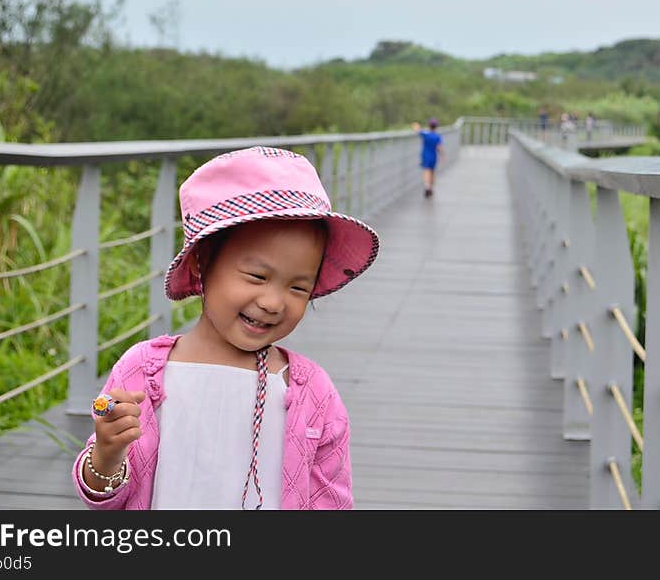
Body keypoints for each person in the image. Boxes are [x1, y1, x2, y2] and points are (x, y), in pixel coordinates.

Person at [71, 146, 380, 510]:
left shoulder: (312, 393)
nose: (273, 302)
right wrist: (108, 453)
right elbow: (103, 496)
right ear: (202, 263)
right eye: (257, 276)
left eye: (298, 287)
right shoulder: (144, 372)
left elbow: (332, 501)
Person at [411, 117, 443, 197]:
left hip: (426, 156)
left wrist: (415, 124)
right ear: (436, 127)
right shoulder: (437, 136)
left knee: (426, 171)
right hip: (433, 156)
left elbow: (417, 129)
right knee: (432, 172)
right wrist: (443, 156)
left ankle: (427, 186)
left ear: (429, 126)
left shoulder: (426, 134)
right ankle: (431, 188)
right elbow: (439, 148)